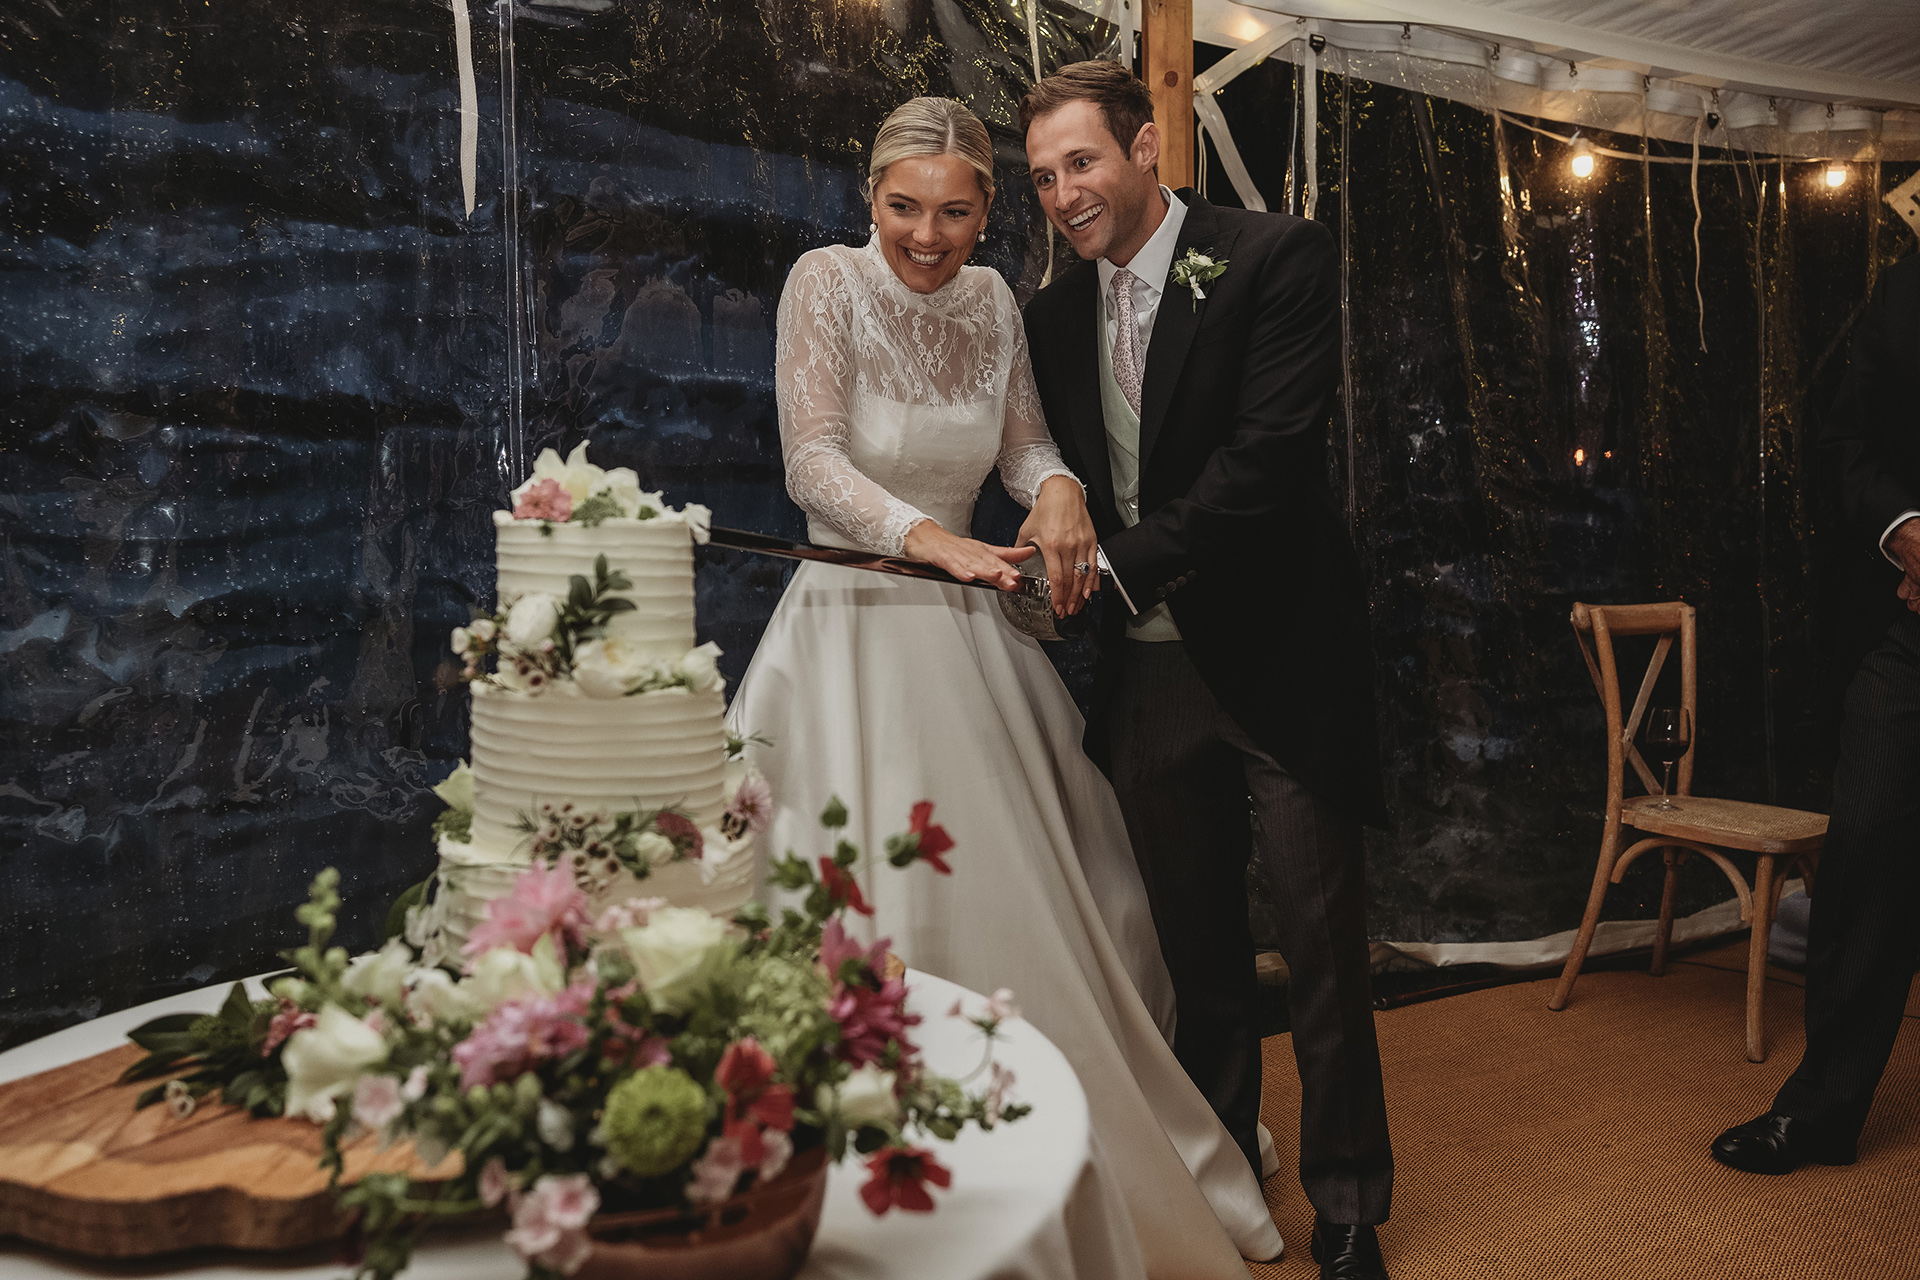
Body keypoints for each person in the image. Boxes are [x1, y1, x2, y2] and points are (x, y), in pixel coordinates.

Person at [728, 96, 1285, 1277]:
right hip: (850, 633)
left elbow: (1023, 442)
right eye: (904, 208)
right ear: (866, 197)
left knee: (1059, 903)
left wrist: (1061, 487)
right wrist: (930, 539)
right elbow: (810, 455)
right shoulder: (822, 282)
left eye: (959, 211)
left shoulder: (994, 303)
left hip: (975, 635)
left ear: (992, 210)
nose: (930, 236)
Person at [1017, 62, 1396, 1280]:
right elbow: (1057, 473)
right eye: (1040, 178)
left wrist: (1112, 565)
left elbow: (1268, 463)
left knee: (1323, 948)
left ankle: (1348, 1207)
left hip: (1279, 662)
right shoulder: (1049, 314)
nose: (1063, 194)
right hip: (1146, 681)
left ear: (1143, 147)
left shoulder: (1275, 256)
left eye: (1080, 162)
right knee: (1197, 962)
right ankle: (1226, 1175)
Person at [1712, 254, 1920, 1176]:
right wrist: (1907, 531)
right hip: (1909, 625)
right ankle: (1824, 1112)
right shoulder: (1912, 279)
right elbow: (1846, 441)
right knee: (1868, 843)